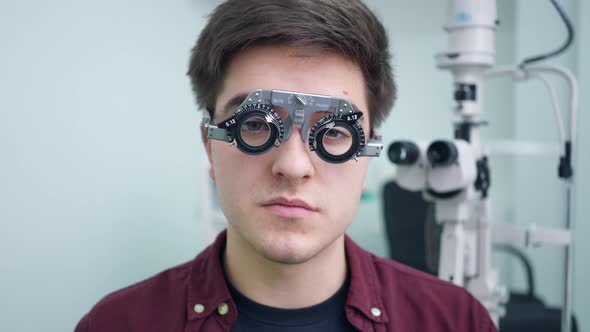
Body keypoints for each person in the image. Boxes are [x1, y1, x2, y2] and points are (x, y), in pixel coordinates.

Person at [75, 0, 497, 331]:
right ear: (210, 148)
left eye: (333, 132)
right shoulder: (117, 324)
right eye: (256, 124)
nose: (293, 166)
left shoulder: (456, 322)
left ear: (367, 153)